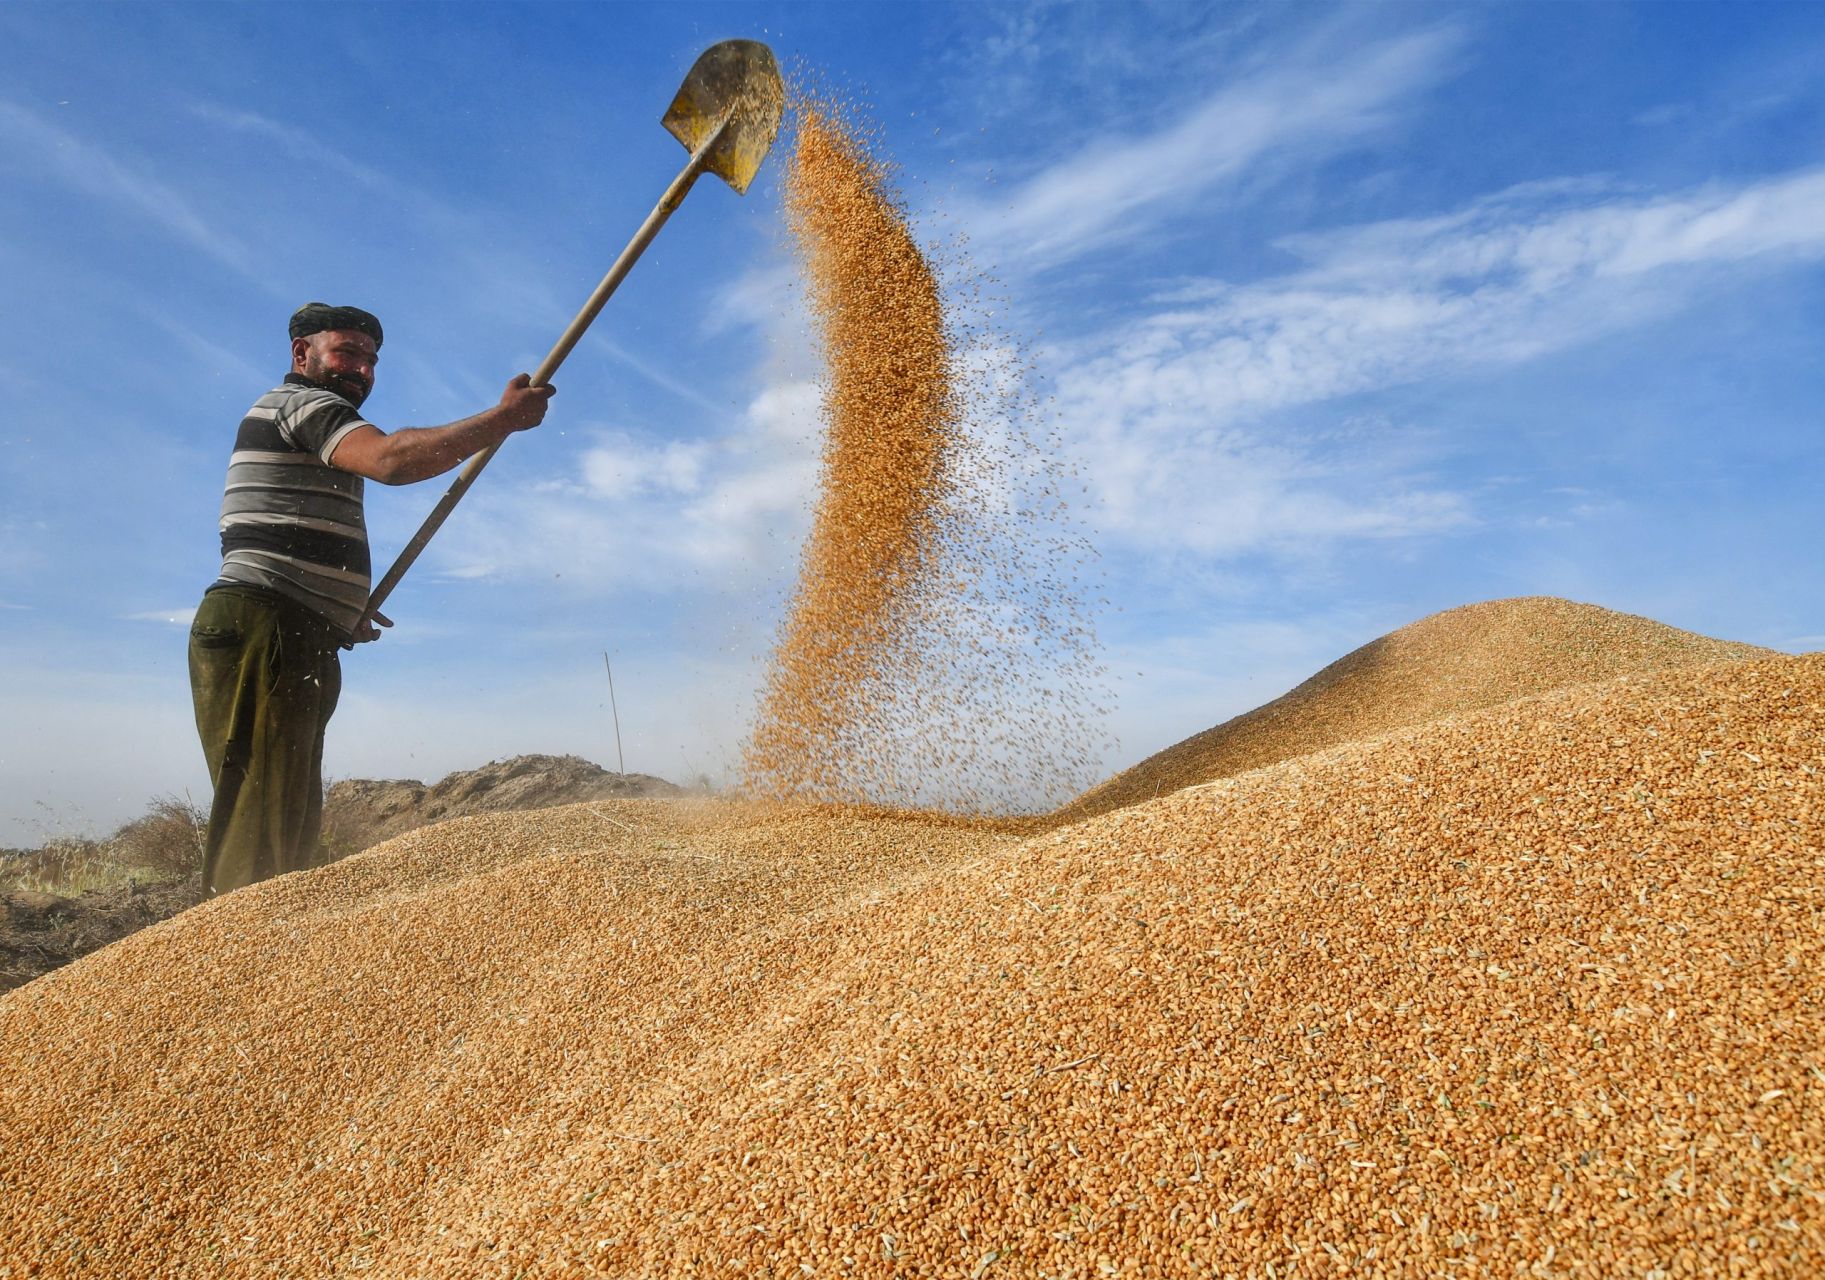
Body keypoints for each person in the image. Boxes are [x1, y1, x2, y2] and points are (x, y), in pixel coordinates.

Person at [187, 302, 555, 896]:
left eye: (370, 360)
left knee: (285, 817)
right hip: (266, 625)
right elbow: (391, 459)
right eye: (347, 353)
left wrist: (337, 604)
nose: (360, 370)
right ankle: (241, 961)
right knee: (263, 824)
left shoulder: (312, 417)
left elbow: (287, 529)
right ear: (301, 354)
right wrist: (500, 420)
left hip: (293, 627)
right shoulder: (303, 405)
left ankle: (272, 949)